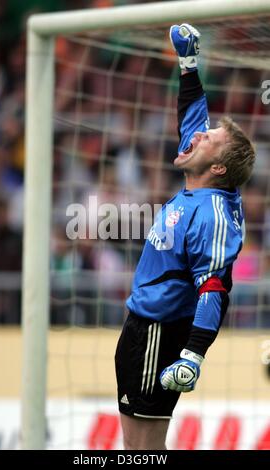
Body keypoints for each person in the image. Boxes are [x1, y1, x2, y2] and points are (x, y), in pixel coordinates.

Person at [115, 24, 255, 450]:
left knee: (144, 450)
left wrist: (192, 356)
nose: (197, 134)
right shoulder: (201, 190)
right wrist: (189, 65)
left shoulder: (213, 213)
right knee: (133, 449)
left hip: (160, 333)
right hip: (140, 327)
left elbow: (215, 286)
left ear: (217, 169)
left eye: (208, 140)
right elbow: (194, 119)